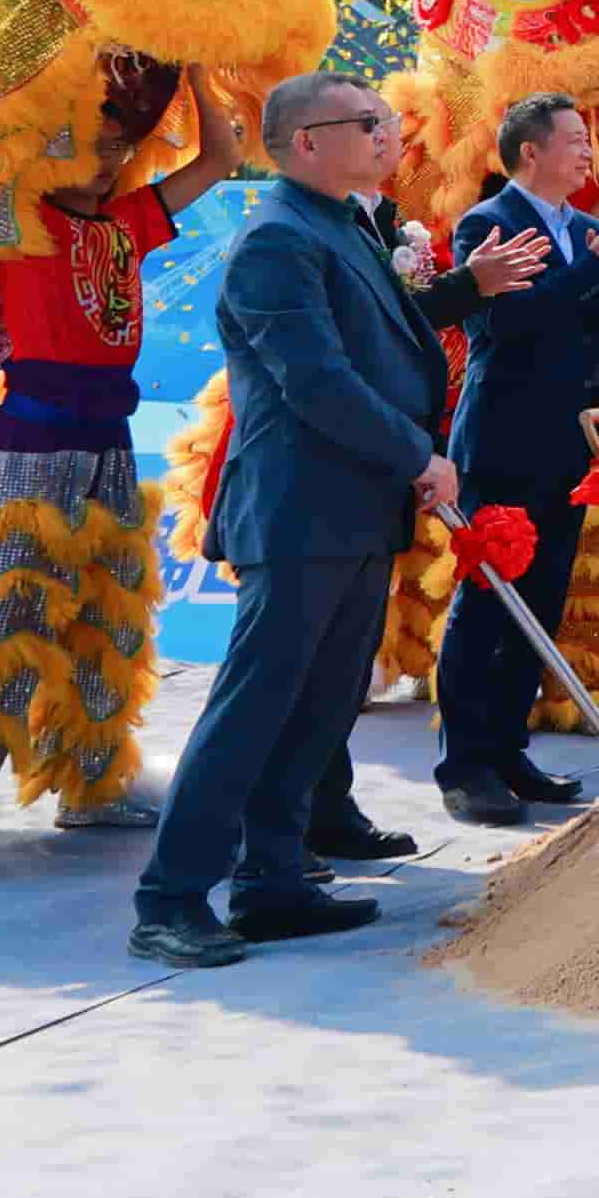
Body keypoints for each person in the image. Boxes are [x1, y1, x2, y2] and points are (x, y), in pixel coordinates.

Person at [0, 73, 247, 879]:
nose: (106, 159)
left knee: (107, 622)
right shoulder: (17, 221)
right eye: (86, 142)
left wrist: (199, 71)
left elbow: (222, 157)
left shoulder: (129, 220)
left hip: (108, 446)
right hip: (28, 451)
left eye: (118, 146)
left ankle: (91, 780)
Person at [132, 73, 461, 969]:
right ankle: (170, 898)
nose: (388, 133)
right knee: (254, 708)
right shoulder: (276, 238)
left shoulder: (344, 223)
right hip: (299, 511)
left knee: (320, 706)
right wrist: (417, 454)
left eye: (385, 120)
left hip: (357, 508)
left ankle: (274, 882)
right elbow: (314, 382)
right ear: (307, 142)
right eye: (368, 122)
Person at [431, 91, 599, 826]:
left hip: (574, 443)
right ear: (531, 151)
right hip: (506, 440)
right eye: (574, 140)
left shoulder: (587, 229)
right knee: (490, 600)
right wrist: (594, 271)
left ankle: (507, 749)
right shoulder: (487, 223)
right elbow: (506, 323)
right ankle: (466, 764)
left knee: (544, 599)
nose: (588, 152)